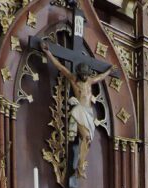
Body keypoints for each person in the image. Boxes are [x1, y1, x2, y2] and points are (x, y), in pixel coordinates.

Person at [42, 42, 116, 178]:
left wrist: (109, 71)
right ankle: (81, 166)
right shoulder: (73, 79)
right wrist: (48, 53)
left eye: (86, 75)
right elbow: (60, 67)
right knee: (86, 137)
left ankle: (81, 164)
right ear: (80, 74)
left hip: (88, 112)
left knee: (88, 140)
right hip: (79, 110)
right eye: (83, 75)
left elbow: (100, 77)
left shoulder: (89, 81)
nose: (85, 77)